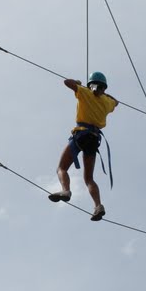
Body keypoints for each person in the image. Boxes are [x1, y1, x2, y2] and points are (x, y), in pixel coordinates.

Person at [48, 71, 118, 221]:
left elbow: (67, 82)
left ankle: (66, 190)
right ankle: (98, 205)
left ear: (91, 85)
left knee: (61, 168)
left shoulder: (85, 92)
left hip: (81, 135)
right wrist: (105, 94)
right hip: (94, 139)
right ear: (104, 87)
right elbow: (116, 102)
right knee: (89, 178)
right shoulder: (107, 102)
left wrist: (78, 83)